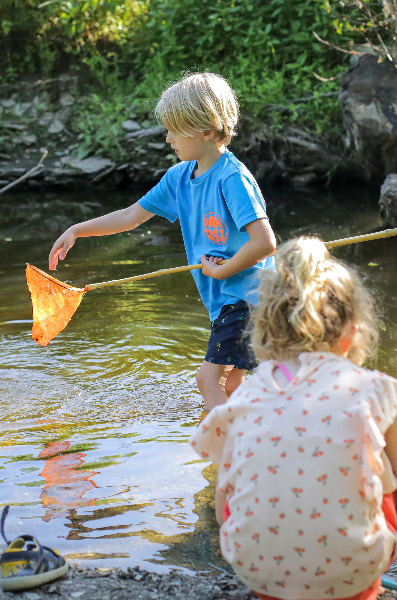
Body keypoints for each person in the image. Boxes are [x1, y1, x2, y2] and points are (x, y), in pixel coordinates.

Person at [189, 236, 397, 600]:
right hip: (352, 576)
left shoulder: (243, 399)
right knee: (376, 467)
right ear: (352, 333)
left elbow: (224, 516)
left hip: (259, 573)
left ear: (264, 330)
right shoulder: (378, 391)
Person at [48, 72, 276, 411]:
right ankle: (251, 438)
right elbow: (130, 216)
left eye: (174, 129)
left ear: (207, 131)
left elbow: (264, 243)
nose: (167, 137)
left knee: (207, 379)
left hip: (247, 296)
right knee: (232, 380)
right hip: (224, 299)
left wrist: (221, 271)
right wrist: (77, 229)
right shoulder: (179, 177)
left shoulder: (233, 179)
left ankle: (220, 447)